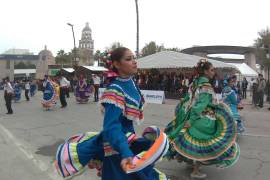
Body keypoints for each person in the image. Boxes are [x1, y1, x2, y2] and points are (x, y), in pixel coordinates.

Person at [54, 47, 168, 180]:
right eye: (128, 59)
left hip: (127, 140)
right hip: (116, 146)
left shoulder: (131, 82)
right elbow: (111, 127)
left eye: (134, 58)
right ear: (116, 64)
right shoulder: (115, 89)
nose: (134, 62)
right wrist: (125, 152)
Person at [165, 59, 239, 179]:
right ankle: (195, 170)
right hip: (200, 117)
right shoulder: (206, 85)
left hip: (188, 113)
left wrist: (185, 113)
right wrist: (192, 120)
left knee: (189, 139)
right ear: (205, 71)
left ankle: (187, 160)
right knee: (202, 143)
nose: (213, 72)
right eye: (211, 70)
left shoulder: (196, 82)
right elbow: (201, 105)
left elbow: (187, 98)